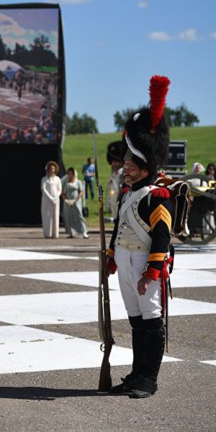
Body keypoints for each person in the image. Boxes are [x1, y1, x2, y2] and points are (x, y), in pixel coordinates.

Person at [106, 75, 173, 399]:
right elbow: (120, 227)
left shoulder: (156, 195)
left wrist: (151, 272)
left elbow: (162, 239)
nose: (125, 166)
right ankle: (135, 375)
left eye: (131, 161)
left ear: (145, 163)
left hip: (145, 269)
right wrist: (110, 258)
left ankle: (149, 379)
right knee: (136, 321)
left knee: (151, 320)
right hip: (125, 264)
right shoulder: (128, 193)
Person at [61, 168, 89, 238]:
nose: (70, 175)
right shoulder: (66, 183)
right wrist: (66, 200)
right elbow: (63, 193)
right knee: (69, 217)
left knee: (79, 216)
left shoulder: (78, 182)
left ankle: (84, 232)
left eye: (72, 174)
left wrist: (75, 200)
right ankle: (71, 232)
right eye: (69, 174)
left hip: (76, 202)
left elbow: (81, 192)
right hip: (68, 202)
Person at [40, 161, 61, 238]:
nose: (52, 170)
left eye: (53, 168)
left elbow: (59, 190)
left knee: (55, 215)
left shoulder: (57, 179)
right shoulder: (44, 179)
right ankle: (48, 233)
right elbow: (43, 189)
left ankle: (55, 233)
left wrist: (56, 197)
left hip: (55, 200)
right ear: (48, 169)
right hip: (47, 200)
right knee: (48, 215)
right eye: (51, 168)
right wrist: (50, 198)